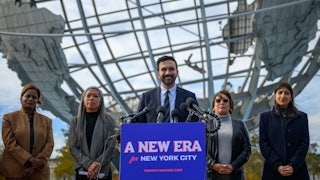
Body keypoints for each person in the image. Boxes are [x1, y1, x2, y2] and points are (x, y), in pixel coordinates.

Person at [0, 83, 54, 179]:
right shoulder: (8, 118)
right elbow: (10, 144)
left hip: (39, 172)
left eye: (34, 97)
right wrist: (29, 159)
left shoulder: (47, 121)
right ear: (21, 98)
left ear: (37, 101)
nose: (30, 99)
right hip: (15, 172)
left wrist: (35, 165)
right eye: (27, 96)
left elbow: (49, 144)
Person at [259, 82, 310, 180]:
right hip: (272, 171)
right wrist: (277, 165)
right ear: (275, 96)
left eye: (287, 93)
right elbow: (263, 143)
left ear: (291, 97)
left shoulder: (302, 117)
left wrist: (293, 165)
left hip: (297, 171)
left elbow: (304, 142)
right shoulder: (265, 117)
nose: (283, 96)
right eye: (280, 92)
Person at [69, 86, 116, 180]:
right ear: (83, 100)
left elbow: (111, 146)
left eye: (95, 96)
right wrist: (89, 164)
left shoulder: (108, 120)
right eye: (88, 95)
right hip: (82, 170)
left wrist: (97, 165)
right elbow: (73, 147)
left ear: (100, 101)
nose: (91, 98)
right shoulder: (75, 121)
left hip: (103, 171)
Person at [136, 55, 198, 123]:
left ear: (177, 72)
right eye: (163, 69)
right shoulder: (146, 97)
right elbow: (138, 124)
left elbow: (196, 122)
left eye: (171, 69)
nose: (168, 73)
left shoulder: (189, 97)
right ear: (158, 73)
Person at [207, 90, 251, 180]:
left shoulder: (240, 125)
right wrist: (212, 165)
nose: (222, 102)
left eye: (225, 101)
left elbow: (247, 149)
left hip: (236, 175)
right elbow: (199, 150)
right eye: (218, 101)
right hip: (212, 175)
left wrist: (233, 166)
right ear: (213, 107)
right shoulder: (205, 125)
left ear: (230, 106)